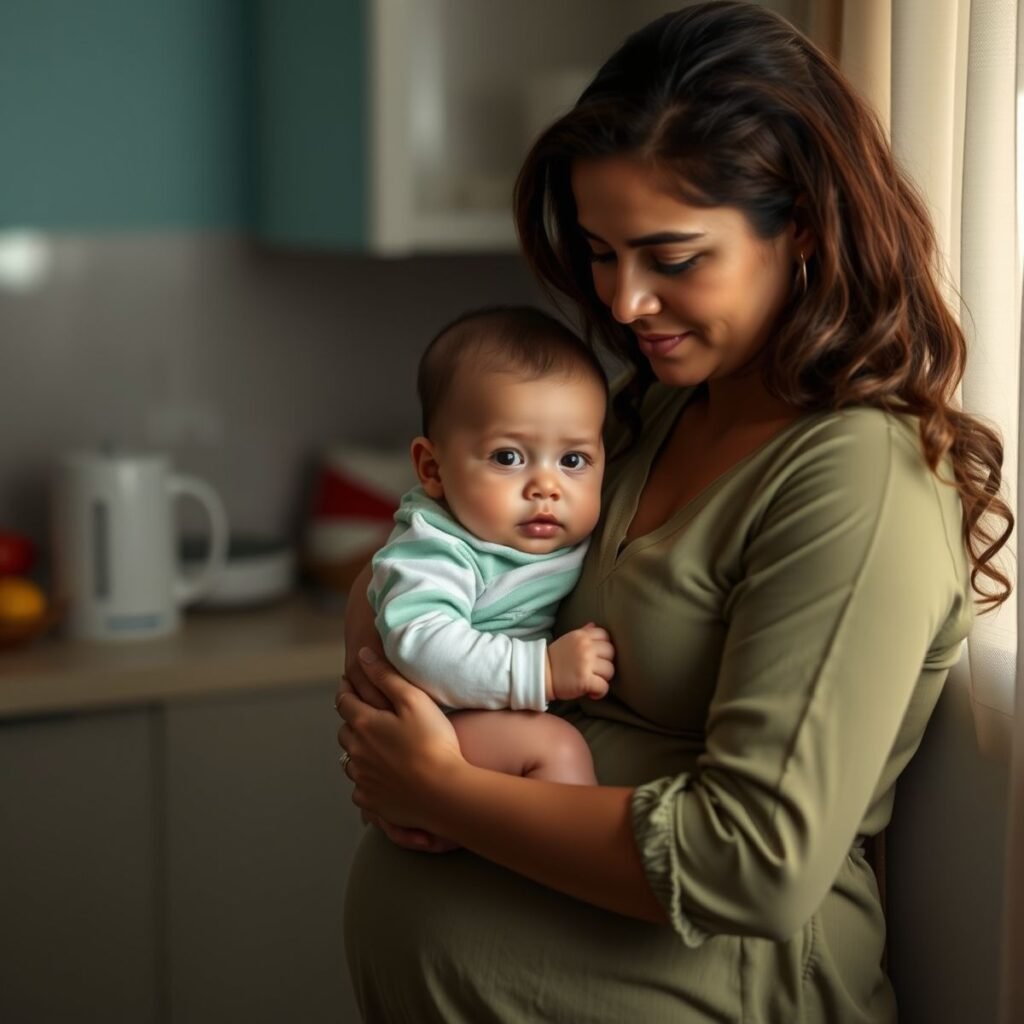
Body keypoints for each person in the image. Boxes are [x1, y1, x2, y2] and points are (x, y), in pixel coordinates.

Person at [335, 3, 1014, 1021]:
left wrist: (443, 790)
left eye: (672, 256)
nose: (621, 303)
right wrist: (381, 613)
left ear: (804, 232)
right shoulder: (649, 411)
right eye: (603, 252)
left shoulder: (855, 480)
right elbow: (462, 546)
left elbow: (754, 865)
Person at [365, 306, 614, 791]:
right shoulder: (439, 546)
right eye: (508, 457)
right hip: (442, 724)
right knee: (558, 750)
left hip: (491, 713)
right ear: (433, 469)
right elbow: (421, 642)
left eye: (573, 459)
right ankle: (564, 864)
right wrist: (541, 670)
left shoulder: (555, 527)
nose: (546, 486)